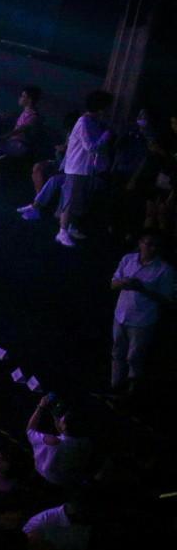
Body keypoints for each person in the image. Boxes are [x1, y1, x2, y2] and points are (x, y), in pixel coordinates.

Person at [110, 230, 174, 391]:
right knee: (117, 353)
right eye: (149, 244)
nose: (153, 248)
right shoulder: (128, 259)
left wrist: (142, 288)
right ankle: (115, 387)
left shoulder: (164, 269)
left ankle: (132, 392)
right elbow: (113, 284)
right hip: (121, 315)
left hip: (142, 320)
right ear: (140, 244)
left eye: (156, 245)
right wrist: (123, 283)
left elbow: (166, 299)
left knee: (134, 357)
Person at [56, 89, 114, 247]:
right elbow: (91, 146)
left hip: (84, 167)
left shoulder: (93, 122)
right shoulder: (84, 122)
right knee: (70, 200)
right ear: (100, 107)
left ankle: (70, 226)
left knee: (78, 199)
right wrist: (107, 134)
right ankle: (62, 231)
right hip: (77, 167)